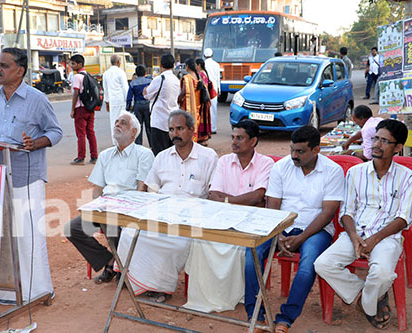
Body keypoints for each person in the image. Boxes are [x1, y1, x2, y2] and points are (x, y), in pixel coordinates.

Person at [0, 48, 61, 301]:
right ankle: (6, 292)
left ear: (20, 71)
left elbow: (55, 131)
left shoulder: (37, 98)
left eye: (4, 66)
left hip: (26, 177)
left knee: (28, 236)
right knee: (1, 235)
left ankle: (39, 291)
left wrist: (36, 143)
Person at [314, 119, 412, 330]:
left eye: (385, 141)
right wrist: (354, 238)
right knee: (322, 264)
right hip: (355, 234)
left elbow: (403, 218)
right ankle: (366, 295)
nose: (376, 144)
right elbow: (346, 212)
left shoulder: (407, 177)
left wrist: (373, 240)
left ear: (398, 147)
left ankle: (366, 303)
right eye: (375, 138)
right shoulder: (355, 173)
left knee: (382, 274)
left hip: (387, 238)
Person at [243, 126, 343, 332]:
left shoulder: (333, 171)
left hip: (315, 230)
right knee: (251, 253)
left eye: (300, 151)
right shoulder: (281, 167)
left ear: (316, 150)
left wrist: (301, 238)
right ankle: (255, 314)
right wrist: (278, 234)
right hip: (279, 226)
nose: (294, 156)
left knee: (308, 266)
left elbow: (327, 213)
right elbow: (273, 205)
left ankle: (285, 319)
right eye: (291, 150)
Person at [119, 110, 217, 303]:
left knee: (175, 244)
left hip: (192, 216)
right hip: (161, 212)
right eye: (171, 130)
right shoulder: (162, 157)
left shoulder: (208, 157)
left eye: (180, 129)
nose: (175, 134)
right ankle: (139, 280)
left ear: (191, 129)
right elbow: (151, 190)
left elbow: (213, 193)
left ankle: (161, 288)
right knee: (130, 233)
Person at [183, 119, 273, 313]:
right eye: (233, 137)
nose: (234, 142)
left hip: (253, 221)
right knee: (201, 243)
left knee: (246, 253)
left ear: (253, 141)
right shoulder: (224, 161)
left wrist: (229, 200)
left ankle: (241, 298)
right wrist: (241, 201)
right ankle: (212, 295)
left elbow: (259, 196)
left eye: (240, 138)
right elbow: (213, 194)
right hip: (223, 218)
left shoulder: (265, 163)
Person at [66, 111, 152, 284]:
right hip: (105, 206)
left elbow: (141, 189)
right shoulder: (105, 155)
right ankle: (111, 262)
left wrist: (121, 208)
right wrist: (96, 208)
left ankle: (125, 271)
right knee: (72, 229)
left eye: (123, 123)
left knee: (111, 222)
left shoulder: (144, 154)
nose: (117, 125)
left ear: (134, 132)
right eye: (116, 122)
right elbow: (97, 189)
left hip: (130, 207)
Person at [144, 54, 181, 155]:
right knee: (172, 153)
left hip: (159, 121)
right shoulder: (176, 80)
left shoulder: (160, 79)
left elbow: (147, 95)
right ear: (173, 65)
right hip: (172, 120)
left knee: (159, 154)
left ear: (161, 65)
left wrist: (145, 90)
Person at [69, 54, 98, 165]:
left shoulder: (77, 77)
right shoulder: (88, 75)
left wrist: (72, 110)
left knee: (81, 134)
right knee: (91, 132)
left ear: (79, 64)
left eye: (73, 64)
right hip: (90, 108)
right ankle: (94, 156)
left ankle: (81, 158)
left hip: (81, 108)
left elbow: (76, 93)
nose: (72, 66)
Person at [178, 58, 211, 144]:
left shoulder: (187, 78)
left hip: (188, 104)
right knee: (195, 122)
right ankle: (194, 140)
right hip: (198, 104)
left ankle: (188, 141)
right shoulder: (198, 77)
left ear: (187, 66)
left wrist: (179, 99)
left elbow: (184, 92)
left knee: (187, 122)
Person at [102, 55, 129, 145]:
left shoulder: (106, 73)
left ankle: (115, 142)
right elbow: (125, 88)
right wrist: (128, 101)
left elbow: (105, 89)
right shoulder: (121, 72)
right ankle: (123, 140)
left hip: (112, 100)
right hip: (121, 100)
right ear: (118, 62)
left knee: (113, 121)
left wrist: (107, 102)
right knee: (123, 121)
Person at [126, 65, 153, 145]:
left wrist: (128, 107)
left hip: (137, 106)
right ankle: (152, 145)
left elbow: (129, 97)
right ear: (145, 73)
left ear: (136, 74)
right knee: (149, 127)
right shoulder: (150, 81)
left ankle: (139, 145)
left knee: (138, 127)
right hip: (147, 105)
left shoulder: (132, 83)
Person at [194, 58, 216, 136]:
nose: (195, 66)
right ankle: (205, 135)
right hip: (206, 99)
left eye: (195, 65)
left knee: (201, 118)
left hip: (202, 99)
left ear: (199, 65)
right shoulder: (205, 73)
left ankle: (202, 136)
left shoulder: (200, 74)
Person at [203, 48, 222, 134]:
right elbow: (218, 78)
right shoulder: (216, 65)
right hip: (214, 88)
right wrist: (219, 89)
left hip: (206, 87)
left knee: (205, 108)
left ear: (204, 55)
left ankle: (206, 127)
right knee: (214, 108)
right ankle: (213, 127)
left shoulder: (203, 64)